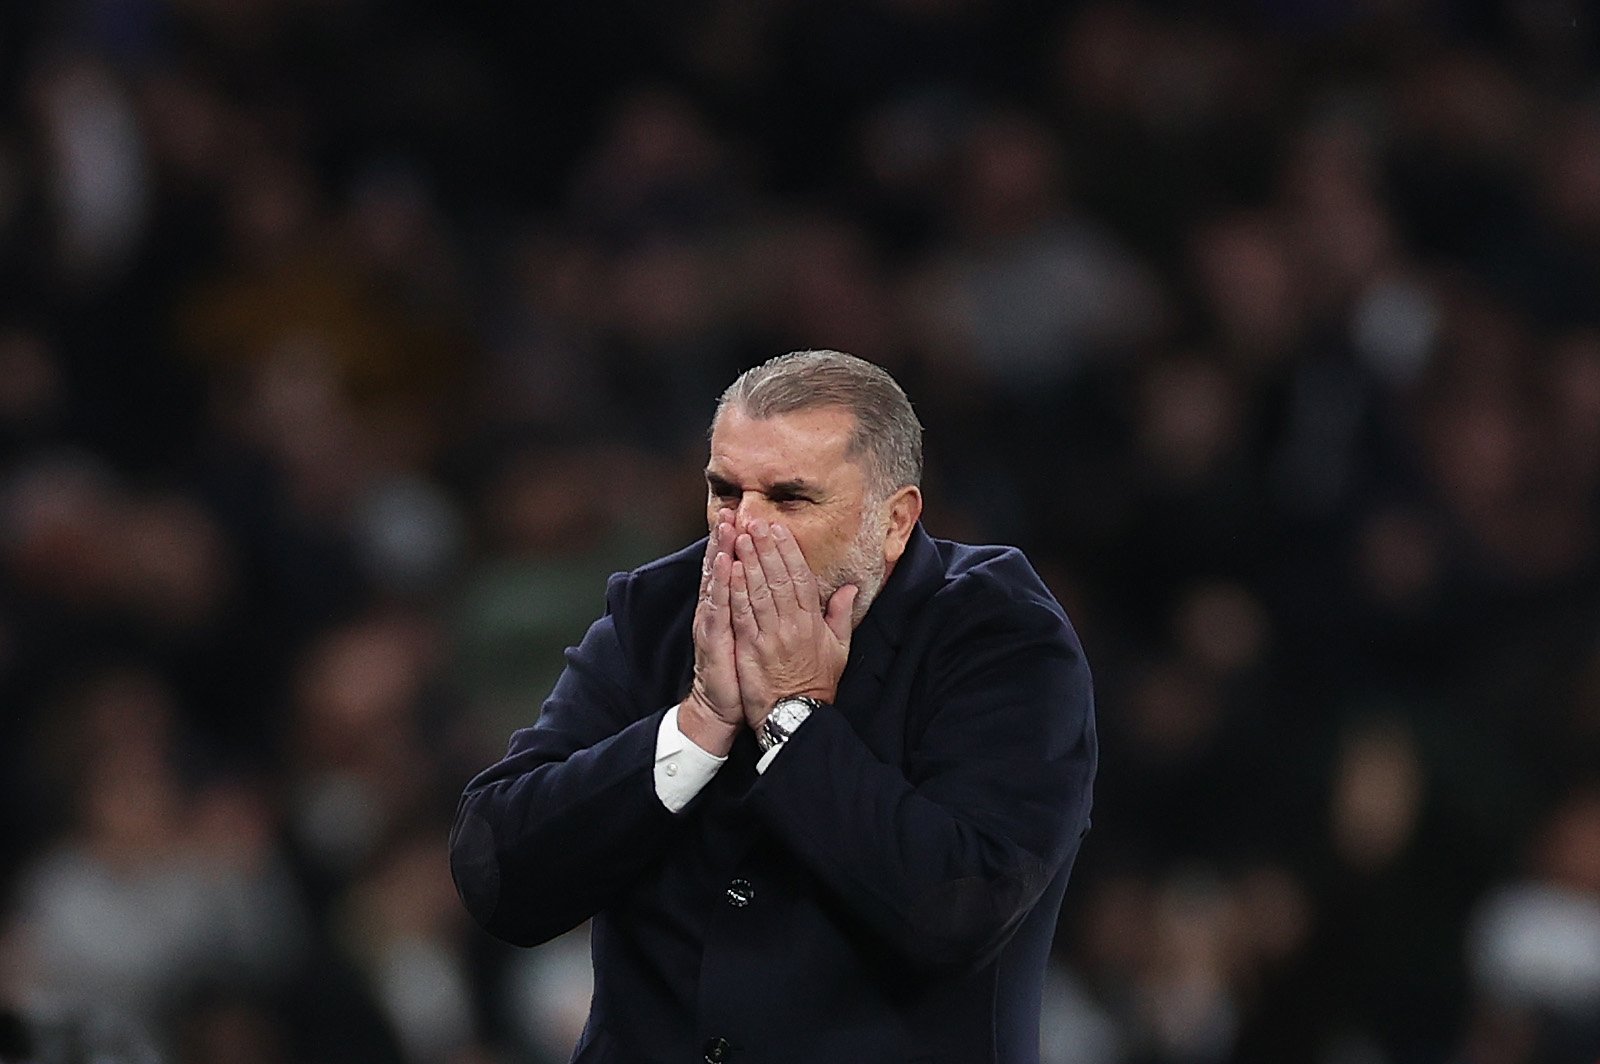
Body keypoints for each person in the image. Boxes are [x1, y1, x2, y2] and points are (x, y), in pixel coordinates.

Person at [449, 349, 1097, 1064]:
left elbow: (957, 910)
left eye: (789, 498)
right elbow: (498, 874)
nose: (741, 529)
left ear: (894, 519)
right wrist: (696, 726)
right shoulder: (657, 613)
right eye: (726, 491)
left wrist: (792, 714)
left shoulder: (998, 637)